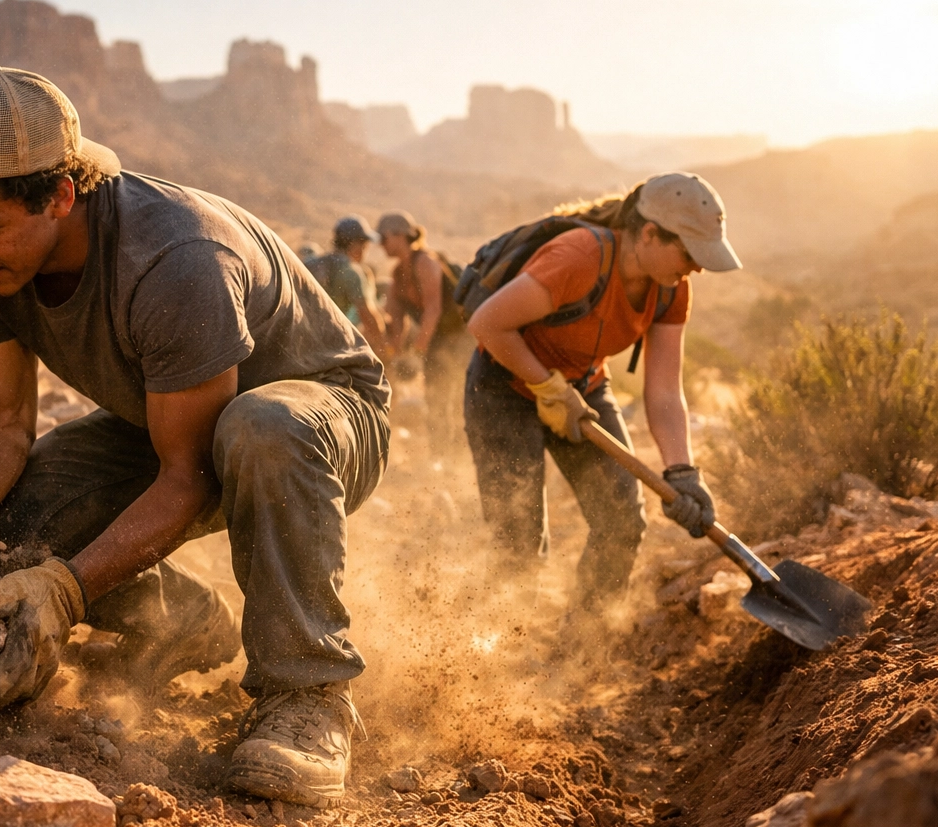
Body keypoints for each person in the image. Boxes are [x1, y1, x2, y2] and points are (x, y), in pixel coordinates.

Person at [0, 66, 390, 807]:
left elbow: (187, 477)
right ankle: (178, 619)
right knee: (12, 527)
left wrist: (67, 587)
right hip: (163, 417)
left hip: (319, 422)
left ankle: (309, 696)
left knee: (258, 427)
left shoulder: (177, 259)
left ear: (60, 194)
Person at [463, 173, 739, 613]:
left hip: (583, 386)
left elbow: (665, 391)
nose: (698, 267)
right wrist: (546, 386)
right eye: (690, 252)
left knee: (622, 521)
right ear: (649, 234)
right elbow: (487, 323)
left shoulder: (671, 289)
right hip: (504, 386)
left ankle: (580, 652)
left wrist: (683, 471)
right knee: (518, 538)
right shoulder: (579, 257)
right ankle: (508, 655)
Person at [378, 210, 466, 453]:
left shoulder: (426, 262)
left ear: (399, 236)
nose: (380, 244)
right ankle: (440, 457)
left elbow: (433, 310)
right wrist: (394, 355)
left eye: (383, 238)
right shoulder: (397, 274)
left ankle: (458, 457)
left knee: (457, 395)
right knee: (436, 397)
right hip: (437, 340)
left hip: (461, 337)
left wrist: (417, 352)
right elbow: (396, 321)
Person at [313, 216, 386, 350]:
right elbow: (367, 315)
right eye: (365, 245)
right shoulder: (351, 271)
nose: (366, 250)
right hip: (329, 342)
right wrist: (383, 347)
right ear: (355, 244)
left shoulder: (314, 263)